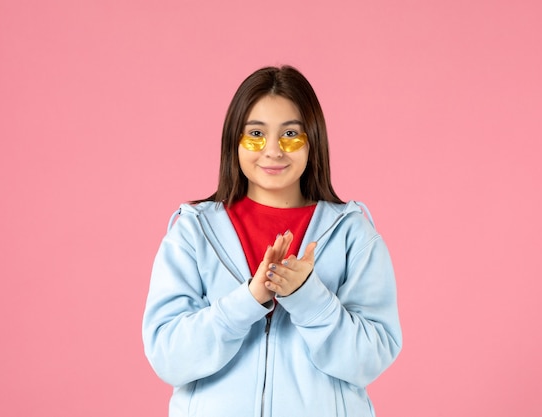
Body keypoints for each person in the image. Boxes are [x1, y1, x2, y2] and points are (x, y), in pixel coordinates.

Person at [142, 65, 402, 417]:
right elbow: (168, 356)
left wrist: (308, 297)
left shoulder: (353, 235)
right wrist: (249, 299)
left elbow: (371, 359)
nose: (273, 150)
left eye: (291, 133)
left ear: (313, 140)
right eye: (256, 134)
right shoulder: (192, 233)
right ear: (234, 140)